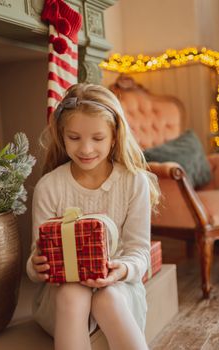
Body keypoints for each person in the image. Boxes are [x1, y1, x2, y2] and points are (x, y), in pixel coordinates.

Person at [26, 83, 160, 350]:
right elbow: (35, 257)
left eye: (97, 138)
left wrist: (120, 270)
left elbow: (139, 252)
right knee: (73, 293)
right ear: (62, 136)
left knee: (106, 298)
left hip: (117, 289)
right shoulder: (49, 187)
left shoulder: (134, 182)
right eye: (74, 138)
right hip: (62, 297)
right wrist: (36, 266)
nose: (86, 149)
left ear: (114, 136)